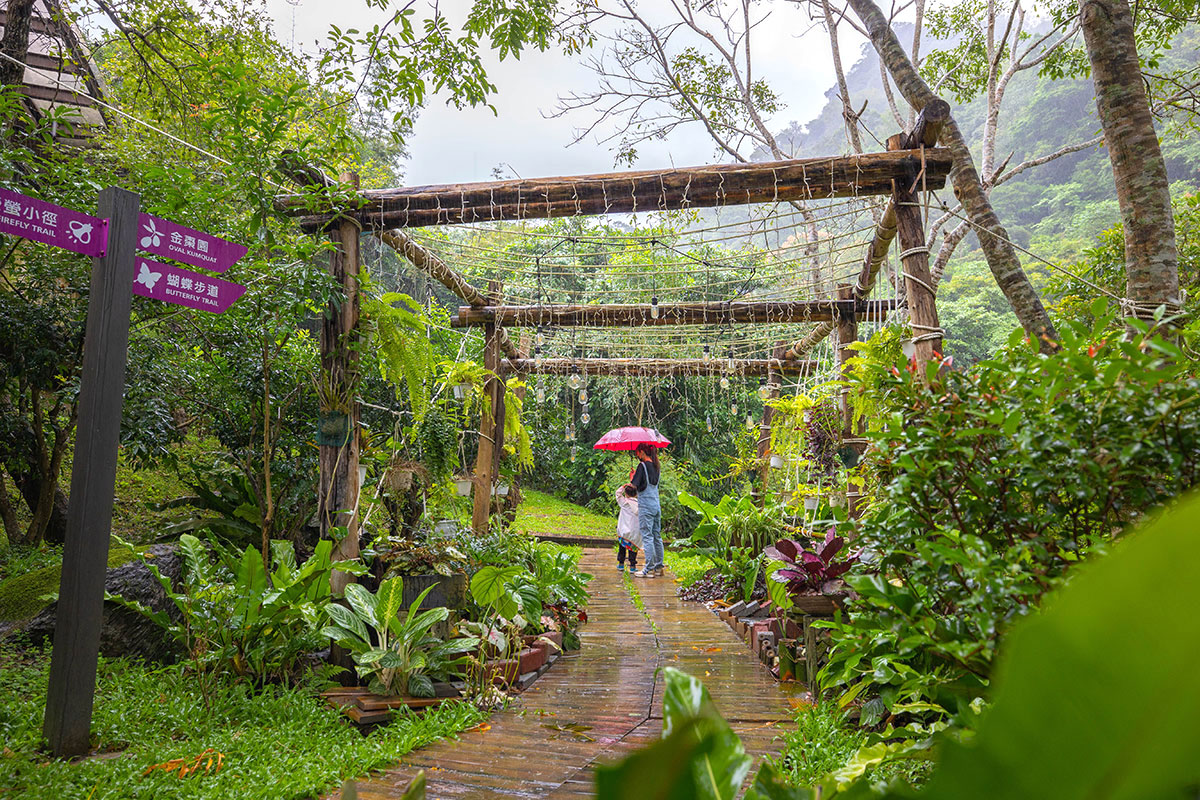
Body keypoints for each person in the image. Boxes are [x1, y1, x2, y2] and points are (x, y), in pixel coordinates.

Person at [630, 443, 664, 577]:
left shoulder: (642, 466)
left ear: (642, 452)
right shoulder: (656, 467)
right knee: (657, 536)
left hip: (646, 506)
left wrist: (632, 478)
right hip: (656, 505)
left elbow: (633, 488)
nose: (636, 455)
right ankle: (658, 567)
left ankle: (648, 569)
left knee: (647, 536)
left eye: (637, 452)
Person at [615, 483, 641, 572]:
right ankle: (632, 566)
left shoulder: (624, 503)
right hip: (635, 532)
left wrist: (623, 486)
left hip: (623, 531)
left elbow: (618, 493)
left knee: (622, 548)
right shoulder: (639, 505)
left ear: (626, 494)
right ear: (636, 494)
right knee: (633, 550)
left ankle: (621, 564)